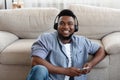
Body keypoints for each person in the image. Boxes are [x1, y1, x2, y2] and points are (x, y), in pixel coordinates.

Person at [26, 9, 106, 80]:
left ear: (75, 27)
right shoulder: (46, 38)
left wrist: (91, 64)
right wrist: (65, 71)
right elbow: (36, 61)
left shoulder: (82, 41)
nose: (66, 27)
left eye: (70, 23)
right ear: (57, 26)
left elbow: (101, 50)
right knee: (39, 69)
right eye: (62, 23)